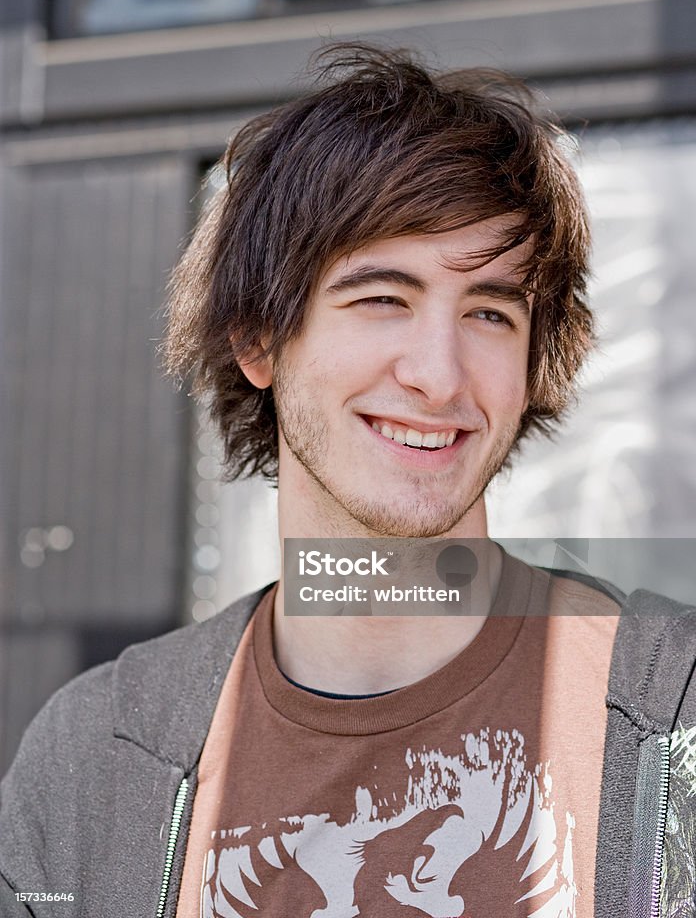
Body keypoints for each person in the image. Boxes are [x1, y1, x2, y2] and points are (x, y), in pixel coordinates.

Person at [1, 44, 695, 918]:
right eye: (382, 298)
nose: (440, 376)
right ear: (258, 340)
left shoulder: (673, 720)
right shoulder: (95, 760)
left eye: (488, 311)